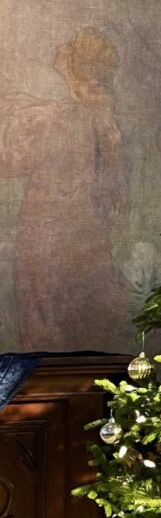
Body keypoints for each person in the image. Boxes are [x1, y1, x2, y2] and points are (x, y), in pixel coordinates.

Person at [0, 28, 131, 350]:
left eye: (69, 45)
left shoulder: (58, 119)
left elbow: (8, 157)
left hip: (49, 244)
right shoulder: (97, 116)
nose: (60, 46)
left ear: (75, 64)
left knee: (50, 333)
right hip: (85, 240)